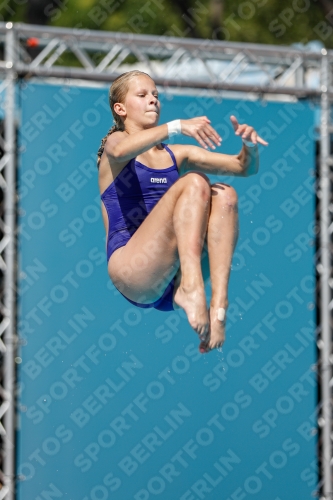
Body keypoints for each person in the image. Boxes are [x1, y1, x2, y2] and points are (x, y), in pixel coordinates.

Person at [97, 70, 268, 353]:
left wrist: (249, 147)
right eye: (142, 95)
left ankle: (220, 305)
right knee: (194, 182)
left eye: (155, 95)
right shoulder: (115, 143)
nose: (153, 100)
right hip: (132, 268)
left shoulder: (177, 154)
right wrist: (177, 126)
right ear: (120, 108)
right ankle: (191, 284)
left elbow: (243, 168)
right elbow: (120, 152)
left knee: (225, 194)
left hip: (168, 277)